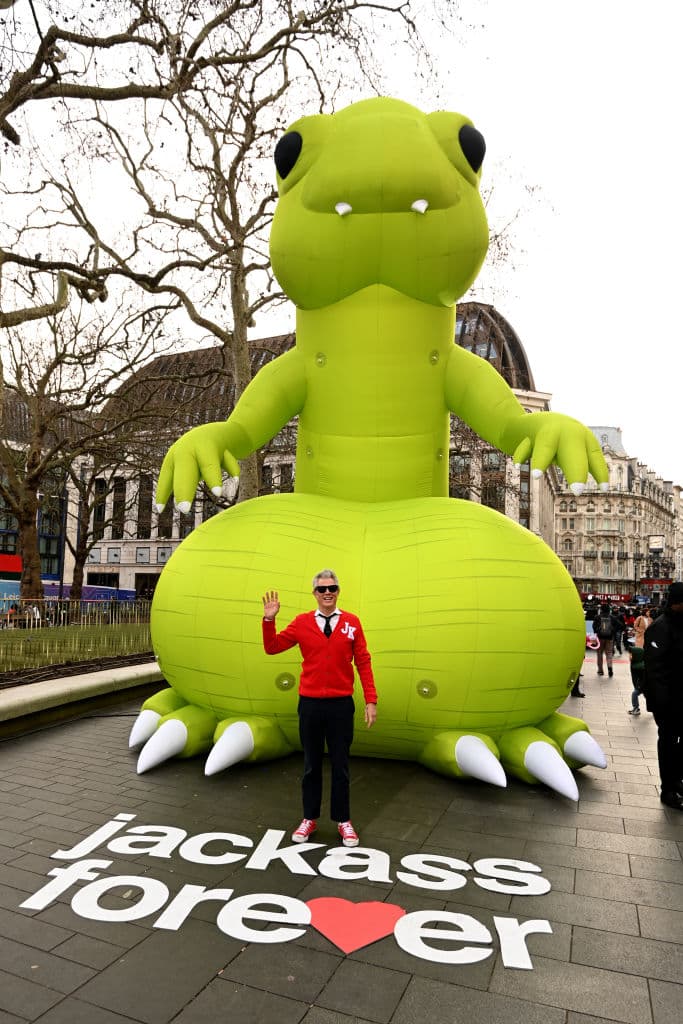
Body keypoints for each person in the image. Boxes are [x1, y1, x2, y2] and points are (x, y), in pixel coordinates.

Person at [262, 569, 377, 846]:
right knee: (311, 765)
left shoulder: (352, 623)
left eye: (332, 588)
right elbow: (272, 647)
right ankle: (309, 819)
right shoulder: (302, 623)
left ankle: (343, 821)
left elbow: (363, 661)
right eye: (322, 589)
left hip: (340, 705)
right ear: (314, 593)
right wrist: (269, 619)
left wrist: (371, 700)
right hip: (310, 705)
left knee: (341, 765)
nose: (328, 593)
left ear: (338, 591)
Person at [643, 582, 683, 810]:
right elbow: (655, 669)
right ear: (677, 603)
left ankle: (677, 780)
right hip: (668, 701)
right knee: (668, 743)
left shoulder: (679, 625)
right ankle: (668, 788)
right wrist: (661, 704)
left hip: (681, 698)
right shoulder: (661, 627)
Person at [594, 602, 620, 678]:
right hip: (609, 638)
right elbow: (620, 625)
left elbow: (594, 627)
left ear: (601, 609)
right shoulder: (612, 617)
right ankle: (610, 668)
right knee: (609, 654)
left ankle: (600, 670)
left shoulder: (597, 617)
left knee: (599, 653)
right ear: (609, 609)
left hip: (600, 638)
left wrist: (597, 631)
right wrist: (613, 631)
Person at [627, 644, 645, 715]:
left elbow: (644, 678)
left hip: (643, 684)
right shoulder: (635, 663)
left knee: (634, 694)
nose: (629, 656)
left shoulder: (640, 666)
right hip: (640, 684)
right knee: (648, 697)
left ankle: (636, 709)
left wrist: (640, 686)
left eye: (631, 655)